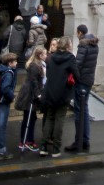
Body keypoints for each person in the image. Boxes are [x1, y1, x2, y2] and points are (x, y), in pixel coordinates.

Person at [40, 36, 79, 158]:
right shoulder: (70, 57)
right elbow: (77, 74)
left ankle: (44, 147)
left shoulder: (51, 57)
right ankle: (56, 148)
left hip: (50, 91)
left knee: (49, 118)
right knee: (59, 119)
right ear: (68, 45)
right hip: (63, 92)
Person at [65, 24, 99, 152]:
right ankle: (85, 140)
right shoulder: (94, 44)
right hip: (89, 80)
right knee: (84, 110)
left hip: (82, 81)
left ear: (79, 33)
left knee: (79, 111)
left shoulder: (83, 44)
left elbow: (77, 64)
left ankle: (79, 141)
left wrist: (75, 77)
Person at [15, 46, 46, 151]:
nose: (46, 56)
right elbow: (34, 81)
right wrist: (38, 94)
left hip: (31, 92)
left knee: (31, 117)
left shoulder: (38, 65)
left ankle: (27, 140)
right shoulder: (34, 66)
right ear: (40, 55)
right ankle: (26, 141)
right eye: (44, 54)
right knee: (29, 118)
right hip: (30, 94)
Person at [0, 51, 18, 160]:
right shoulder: (9, 73)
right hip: (3, 102)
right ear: (10, 63)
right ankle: (1, 151)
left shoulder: (1, 70)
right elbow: (5, 88)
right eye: (15, 61)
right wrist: (12, 96)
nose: (16, 63)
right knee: (2, 126)